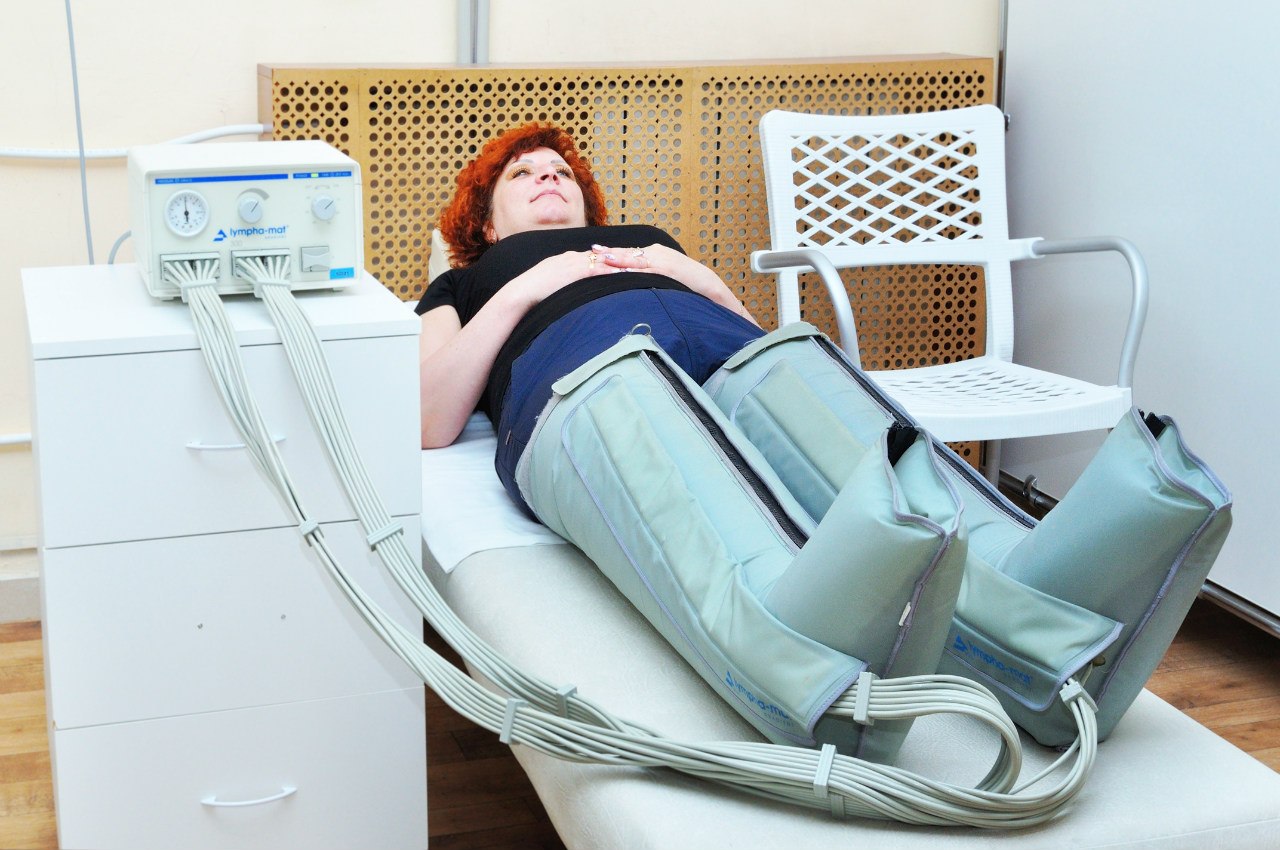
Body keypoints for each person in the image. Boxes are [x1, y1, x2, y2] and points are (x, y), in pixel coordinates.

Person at [416, 122, 763, 508]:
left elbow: (761, 345)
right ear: (489, 227)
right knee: (686, 495)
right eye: (522, 172)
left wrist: (710, 283)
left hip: (718, 338)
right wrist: (523, 290)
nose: (549, 175)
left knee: (804, 414)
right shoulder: (461, 282)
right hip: (592, 362)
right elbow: (425, 419)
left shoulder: (650, 240)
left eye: (562, 172)